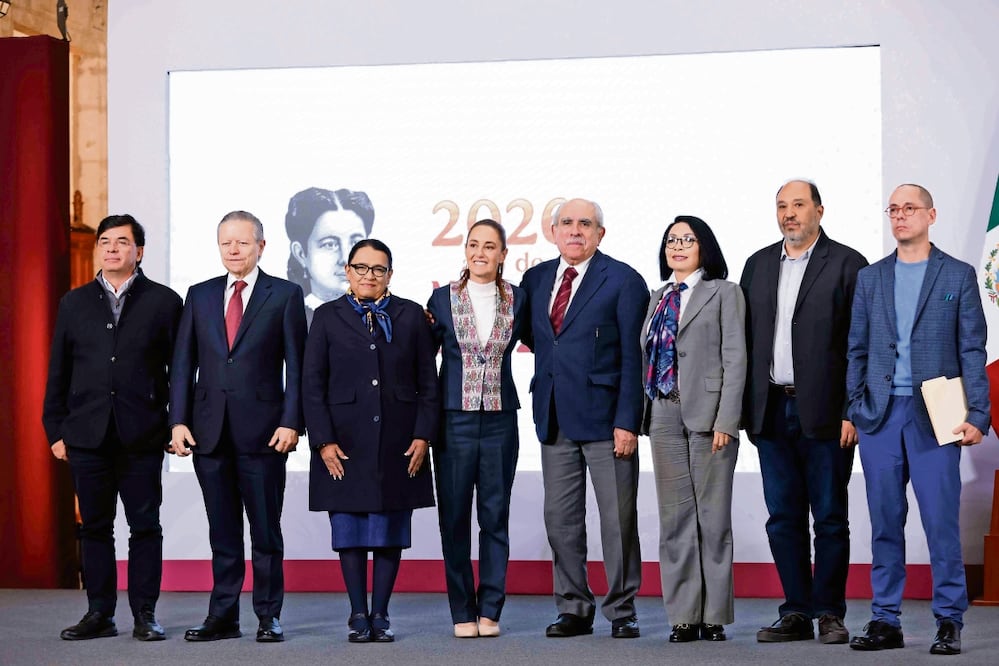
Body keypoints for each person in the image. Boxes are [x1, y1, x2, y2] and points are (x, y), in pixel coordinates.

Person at [846, 184, 989, 656]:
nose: (900, 216)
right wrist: (855, 407)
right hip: (881, 415)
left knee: (940, 521)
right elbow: (857, 349)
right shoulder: (871, 278)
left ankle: (949, 620)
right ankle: (885, 619)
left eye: (910, 208)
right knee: (885, 520)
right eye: (893, 209)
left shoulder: (959, 274)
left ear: (931, 214)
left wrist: (979, 413)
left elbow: (972, 350)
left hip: (938, 413)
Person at [42, 214, 183, 641]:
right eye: (105, 241)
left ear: (139, 251)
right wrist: (55, 429)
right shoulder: (74, 302)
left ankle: (145, 615)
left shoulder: (165, 301)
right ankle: (99, 614)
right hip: (86, 436)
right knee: (95, 528)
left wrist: (177, 424)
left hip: (142, 434)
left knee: (145, 527)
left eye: (122, 242)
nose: (111, 248)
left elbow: (179, 371)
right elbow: (59, 372)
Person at [169, 210, 307, 643]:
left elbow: (297, 368)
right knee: (222, 532)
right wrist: (178, 421)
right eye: (226, 242)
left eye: (242, 243)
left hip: (265, 435)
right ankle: (223, 615)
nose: (233, 250)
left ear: (261, 247)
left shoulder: (284, 295)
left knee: (265, 532)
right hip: (209, 433)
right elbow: (182, 365)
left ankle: (269, 616)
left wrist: (292, 423)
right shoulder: (200, 294)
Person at [740, 179, 868, 644]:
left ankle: (830, 611)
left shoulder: (849, 264)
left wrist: (853, 410)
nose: (789, 214)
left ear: (819, 210)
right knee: (782, 517)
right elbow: (746, 342)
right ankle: (795, 610)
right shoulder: (756, 265)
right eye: (781, 206)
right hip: (771, 410)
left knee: (830, 516)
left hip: (828, 415)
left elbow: (862, 345)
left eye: (798, 205)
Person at [520, 198, 649, 639]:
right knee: (561, 521)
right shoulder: (535, 279)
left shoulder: (625, 280)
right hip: (554, 417)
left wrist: (628, 421)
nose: (576, 230)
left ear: (600, 233)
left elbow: (635, 357)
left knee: (617, 521)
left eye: (586, 224)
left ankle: (622, 609)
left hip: (608, 423)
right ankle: (574, 608)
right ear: (553, 231)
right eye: (567, 223)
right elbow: (531, 336)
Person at [303, 238, 439, 643]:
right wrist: (323, 441)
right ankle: (357, 612)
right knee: (349, 531)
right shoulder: (326, 317)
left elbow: (427, 385)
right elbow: (312, 385)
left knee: (389, 529)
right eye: (361, 268)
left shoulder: (411, 315)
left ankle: (381, 613)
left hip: (399, 440)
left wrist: (423, 436)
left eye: (378, 269)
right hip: (343, 442)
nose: (369, 276)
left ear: (390, 275)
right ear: (348, 271)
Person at [641, 215, 746, 643]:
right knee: (675, 520)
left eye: (687, 239)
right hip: (663, 413)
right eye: (671, 240)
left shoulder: (724, 292)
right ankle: (683, 614)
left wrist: (727, 420)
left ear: (704, 246)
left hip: (709, 416)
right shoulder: (657, 297)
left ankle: (714, 615)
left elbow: (735, 359)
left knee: (713, 519)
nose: (678, 246)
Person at [426, 219, 529, 638]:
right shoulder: (441, 298)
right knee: (454, 520)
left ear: (504, 254)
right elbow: (421, 359)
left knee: (494, 517)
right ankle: (462, 611)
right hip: (453, 420)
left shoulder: (518, 299)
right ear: (465, 251)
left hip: (501, 420)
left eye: (490, 246)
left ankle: (490, 609)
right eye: (473, 245)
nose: (480, 252)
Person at [285, 186, 374, 326]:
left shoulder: (389, 317)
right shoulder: (289, 321)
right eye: (330, 244)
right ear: (301, 254)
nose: (346, 258)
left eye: (356, 242)